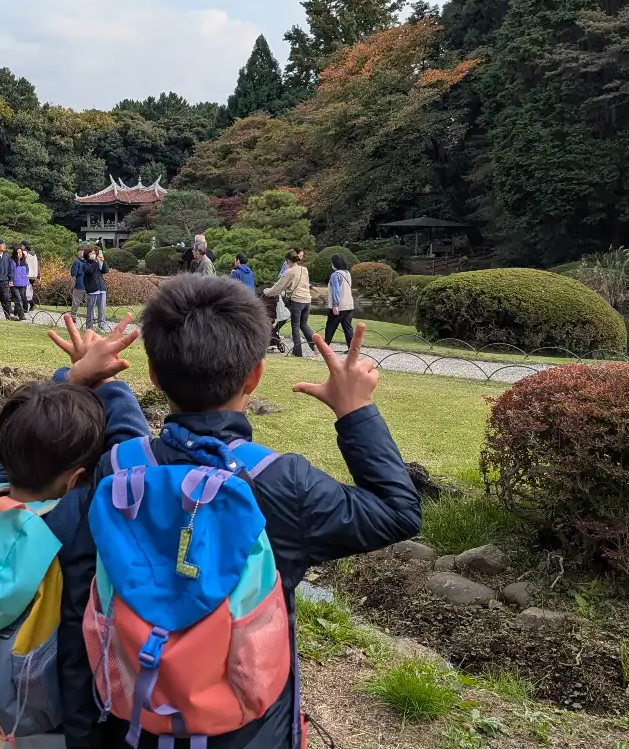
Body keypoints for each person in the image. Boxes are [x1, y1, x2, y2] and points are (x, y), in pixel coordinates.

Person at [62, 275, 421, 748]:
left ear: (153, 373)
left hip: (129, 718)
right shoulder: (282, 482)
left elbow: (76, 604)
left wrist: (78, 383)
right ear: (255, 373)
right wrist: (355, 411)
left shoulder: (115, 469)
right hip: (250, 731)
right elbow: (397, 510)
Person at [0, 317, 147, 749]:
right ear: (76, 479)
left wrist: (72, 378)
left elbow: (25, 440)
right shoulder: (76, 522)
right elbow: (134, 457)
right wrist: (105, 384)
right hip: (60, 719)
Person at [265, 249, 315, 357]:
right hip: (307, 300)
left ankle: (297, 352)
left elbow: (278, 287)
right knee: (304, 324)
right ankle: (315, 346)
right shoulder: (304, 269)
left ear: (287, 260)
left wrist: (267, 292)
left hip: (297, 301)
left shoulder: (289, 271)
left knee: (295, 326)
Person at [324, 254, 356, 351]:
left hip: (339, 305)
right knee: (347, 327)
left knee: (330, 326)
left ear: (335, 263)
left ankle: (325, 347)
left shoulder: (335, 275)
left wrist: (335, 305)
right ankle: (352, 348)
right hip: (349, 305)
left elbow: (336, 291)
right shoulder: (347, 273)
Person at [81, 246, 107, 332]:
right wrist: (96, 262)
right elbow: (89, 271)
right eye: (91, 253)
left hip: (101, 289)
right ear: (87, 255)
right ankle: (89, 327)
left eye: (94, 253)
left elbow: (105, 270)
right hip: (92, 290)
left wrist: (103, 261)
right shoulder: (85, 264)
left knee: (102, 309)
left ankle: (101, 326)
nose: (93, 254)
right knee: (91, 310)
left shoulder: (97, 262)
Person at [11, 245, 32, 321]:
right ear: (15, 253)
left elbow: (27, 271)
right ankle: (21, 316)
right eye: (18, 252)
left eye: (21, 252)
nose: (20, 253)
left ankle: (15, 312)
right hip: (14, 284)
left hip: (23, 283)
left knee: (21, 299)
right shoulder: (12, 262)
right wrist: (10, 281)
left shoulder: (24, 262)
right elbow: (10, 272)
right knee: (18, 299)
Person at [69, 246, 88, 320]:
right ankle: (73, 317)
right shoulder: (76, 262)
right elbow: (73, 274)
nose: (82, 253)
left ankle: (92, 317)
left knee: (89, 303)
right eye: (80, 251)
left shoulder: (87, 262)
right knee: (76, 302)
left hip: (88, 286)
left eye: (83, 252)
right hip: (79, 285)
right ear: (77, 253)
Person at [21, 240, 40, 306]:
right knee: (29, 290)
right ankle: (31, 304)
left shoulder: (24, 253)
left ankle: (26, 306)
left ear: (24, 246)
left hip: (27, 274)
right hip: (33, 275)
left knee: (24, 291)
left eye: (22, 245)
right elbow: (37, 265)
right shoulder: (34, 254)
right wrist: (38, 275)